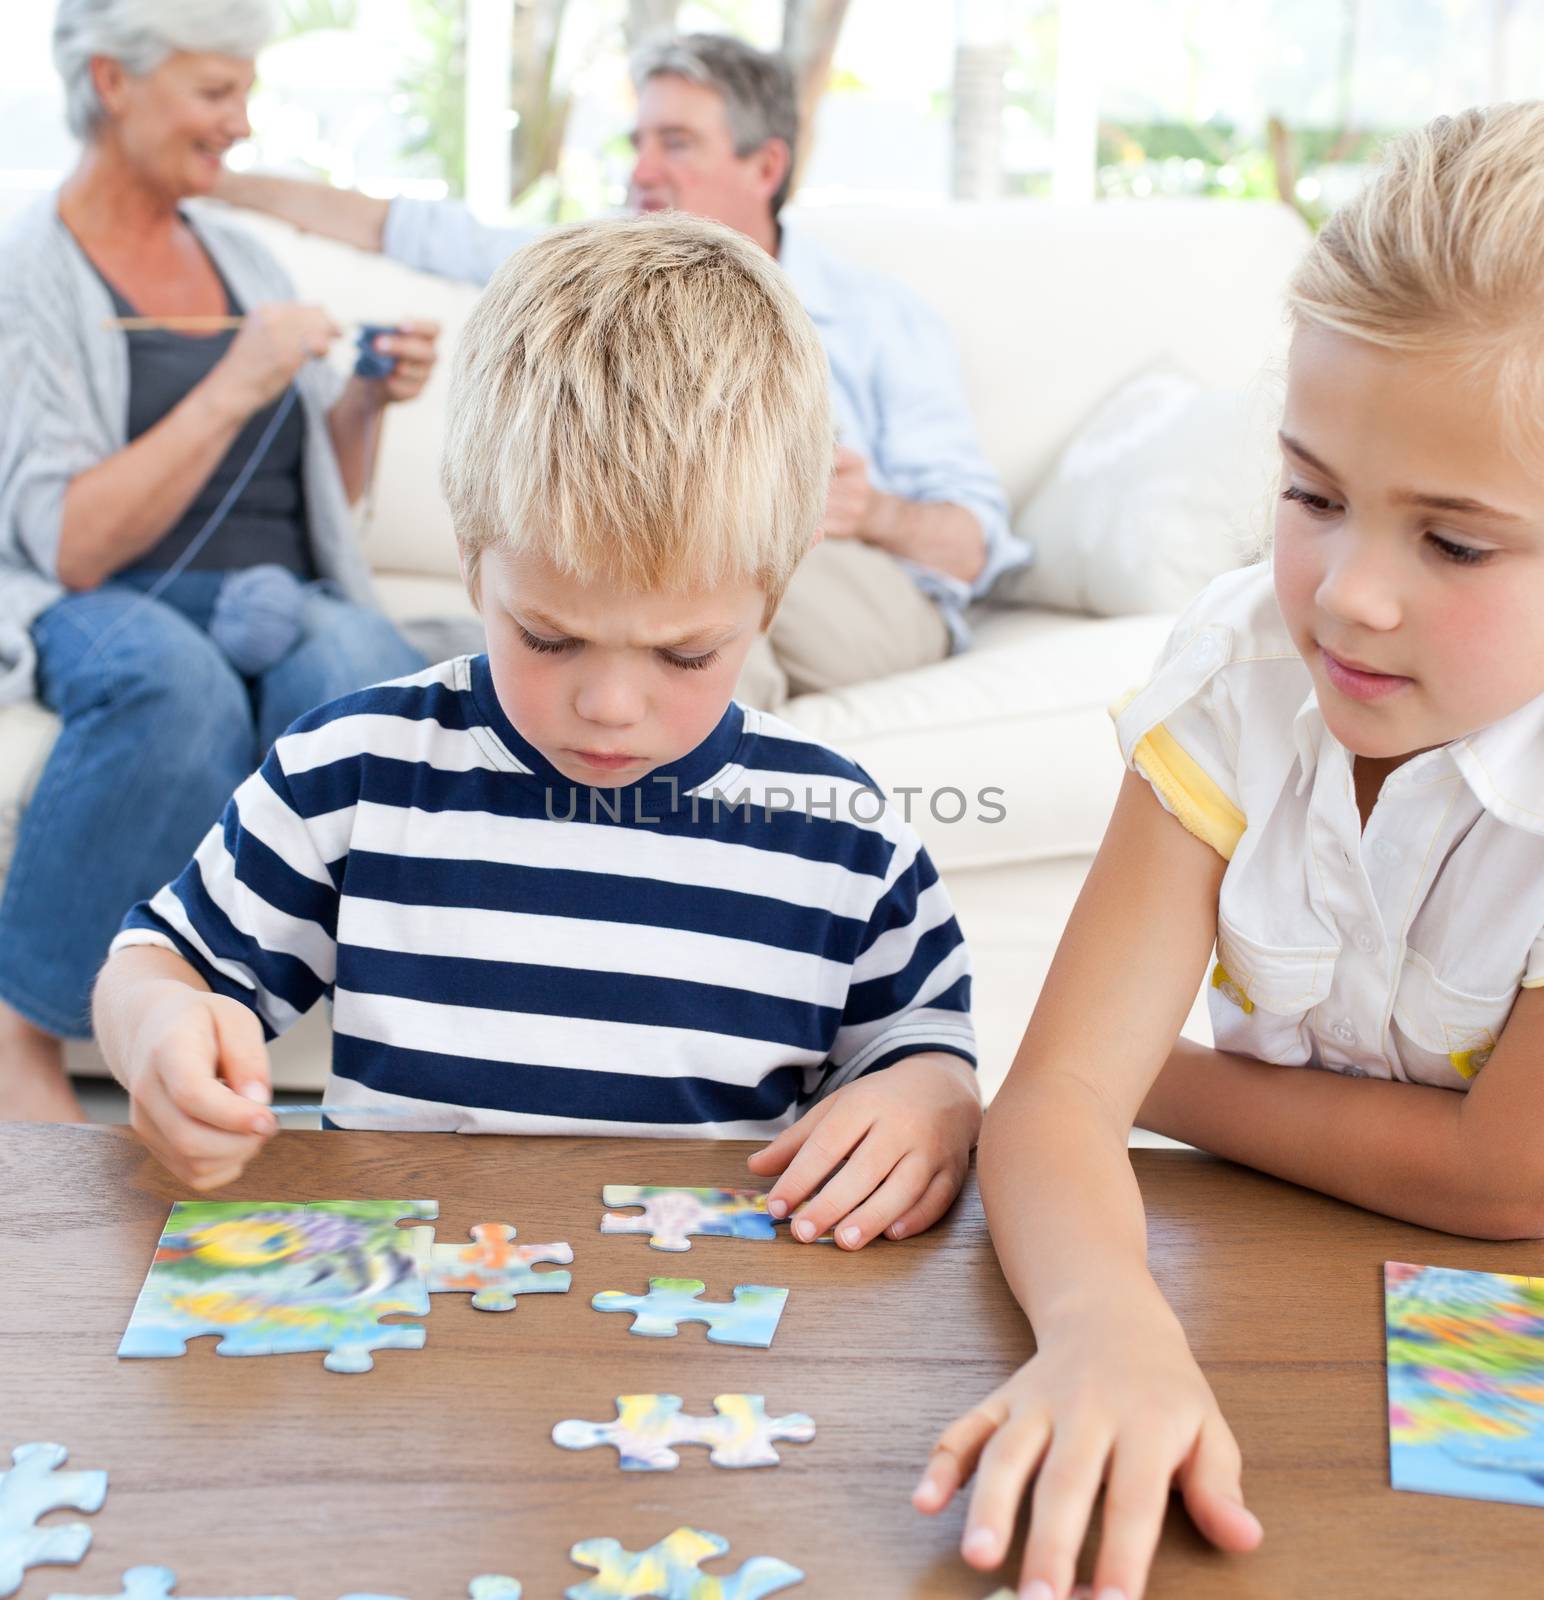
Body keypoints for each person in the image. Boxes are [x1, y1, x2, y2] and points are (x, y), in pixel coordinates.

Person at [912, 102, 1544, 1600]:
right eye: (1314, 496)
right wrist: (1107, 1327)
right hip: (1288, 1296)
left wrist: (1176, 1086)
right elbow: (1060, 1099)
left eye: (1452, 543)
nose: (1348, 598)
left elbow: (1508, 1180)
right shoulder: (1240, 679)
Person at [91, 211, 983, 1251]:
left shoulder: (842, 831)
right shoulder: (352, 777)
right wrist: (157, 1031)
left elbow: (925, 1040)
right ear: (475, 564)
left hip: (706, 1364)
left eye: (682, 654)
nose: (608, 705)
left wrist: (933, 1104)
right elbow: (160, 961)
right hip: (398, 1344)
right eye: (550, 638)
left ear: (770, 600)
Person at [216, 31, 1026, 710]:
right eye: (636, 142)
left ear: (766, 167)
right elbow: (421, 232)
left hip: (845, 574)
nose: (642, 170)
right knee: (559, 625)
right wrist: (214, 179)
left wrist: (871, 509)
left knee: (704, 611)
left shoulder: (881, 318)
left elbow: (973, 548)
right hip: (663, 553)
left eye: (676, 143)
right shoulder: (596, 268)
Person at [0, 0, 442, 1123]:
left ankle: (418, 1054)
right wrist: (237, 378)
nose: (239, 124)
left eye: (246, 91)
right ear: (111, 80)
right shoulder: (30, 278)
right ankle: (20, 1038)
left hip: (278, 593)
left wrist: (363, 401)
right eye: (214, 91)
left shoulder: (240, 255)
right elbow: (67, 540)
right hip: (103, 597)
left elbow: (322, 503)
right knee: (174, 683)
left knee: (354, 674)